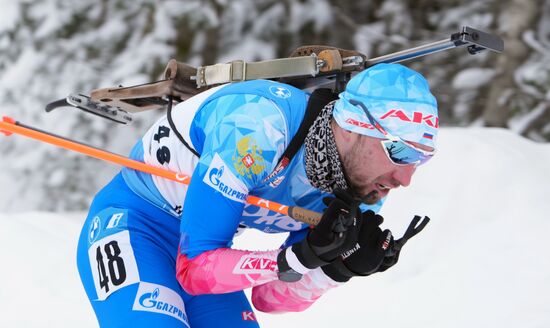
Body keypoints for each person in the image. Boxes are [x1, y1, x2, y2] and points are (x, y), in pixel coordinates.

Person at [76, 62, 438, 327]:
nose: (405, 178)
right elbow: (194, 268)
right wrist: (294, 257)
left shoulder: (364, 186)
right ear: (354, 128)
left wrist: (336, 269)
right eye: (401, 152)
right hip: (135, 227)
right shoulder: (259, 127)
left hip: (210, 257)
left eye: (421, 159)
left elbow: (268, 298)